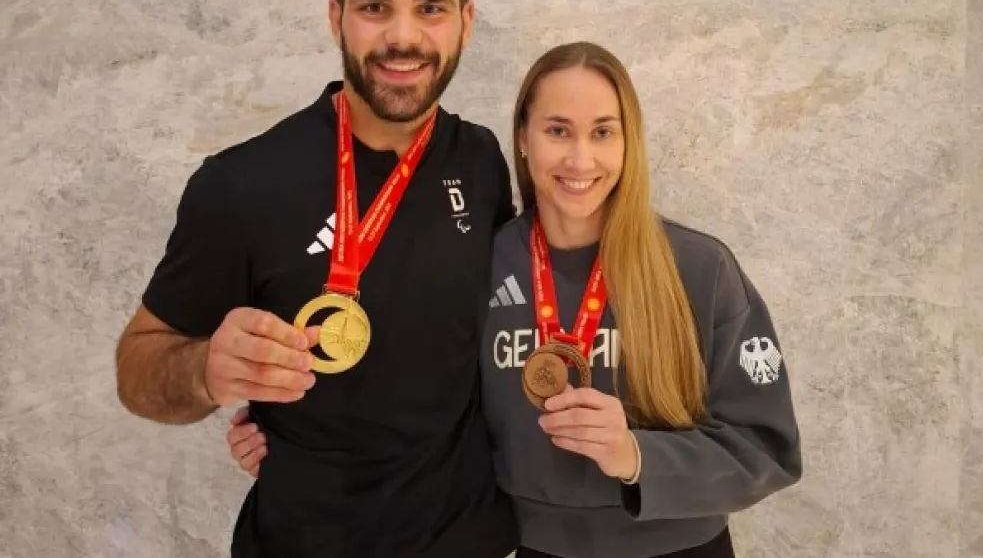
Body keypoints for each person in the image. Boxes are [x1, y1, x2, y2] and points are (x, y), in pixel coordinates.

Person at [228, 41, 803, 558]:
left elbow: (767, 449)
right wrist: (291, 438)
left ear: (629, 144)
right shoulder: (478, 259)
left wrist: (637, 456)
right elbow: (411, 396)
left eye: (603, 131)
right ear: (523, 140)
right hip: (525, 548)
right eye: (558, 131)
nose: (581, 159)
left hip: (681, 550)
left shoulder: (698, 268)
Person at [114, 0, 519, 558]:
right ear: (336, 18)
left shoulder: (480, 159)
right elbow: (137, 367)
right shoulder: (242, 184)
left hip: (470, 536)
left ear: (466, 24)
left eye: (431, 8)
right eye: (374, 6)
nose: (403, 36)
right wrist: (207, 374)